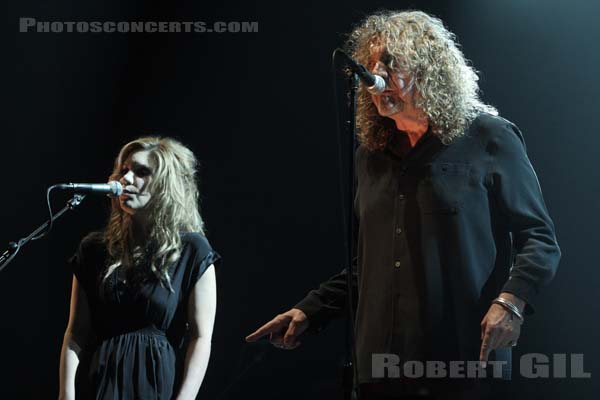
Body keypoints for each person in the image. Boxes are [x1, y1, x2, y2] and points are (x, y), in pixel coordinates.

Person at [246, 10, 561, 399]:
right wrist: (312, 310)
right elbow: (371, 263)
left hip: (462, 360)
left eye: (391, 64)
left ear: (429, 70)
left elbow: (540, 238)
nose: (375, 76)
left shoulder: (488, 137)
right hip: (380, 366)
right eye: (372, 63)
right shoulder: (370, 157)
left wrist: (511, 304)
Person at [58, 137, 220, 400]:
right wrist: (66, 395)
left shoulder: (193, 250)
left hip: (152, 385)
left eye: (141, 172)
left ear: (165, 184)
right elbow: (75, 333)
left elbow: (201, 339)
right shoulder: (94, 249)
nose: (126, 179)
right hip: (97, 382)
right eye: (123, 171)